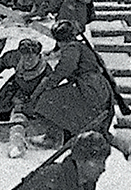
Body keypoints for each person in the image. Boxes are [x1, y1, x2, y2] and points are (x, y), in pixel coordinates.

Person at [11, 20, 115, 157]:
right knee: (61, 99)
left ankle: (53, 137)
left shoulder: (72, 48)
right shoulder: (78, 46)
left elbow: (64, 69)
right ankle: (64, 132)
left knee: (49, 99)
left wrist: (48, 85)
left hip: (89, 88)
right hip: (94, 86)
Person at [0, 38, 51, 122]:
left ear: (38, 56)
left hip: (34, 92)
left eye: (30, 58)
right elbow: (2, 62)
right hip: (15, 86)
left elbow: (41, 93)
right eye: (24, 57)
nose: (27, 61)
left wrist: (28, 105)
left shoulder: (46, 72)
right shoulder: (16, 57)